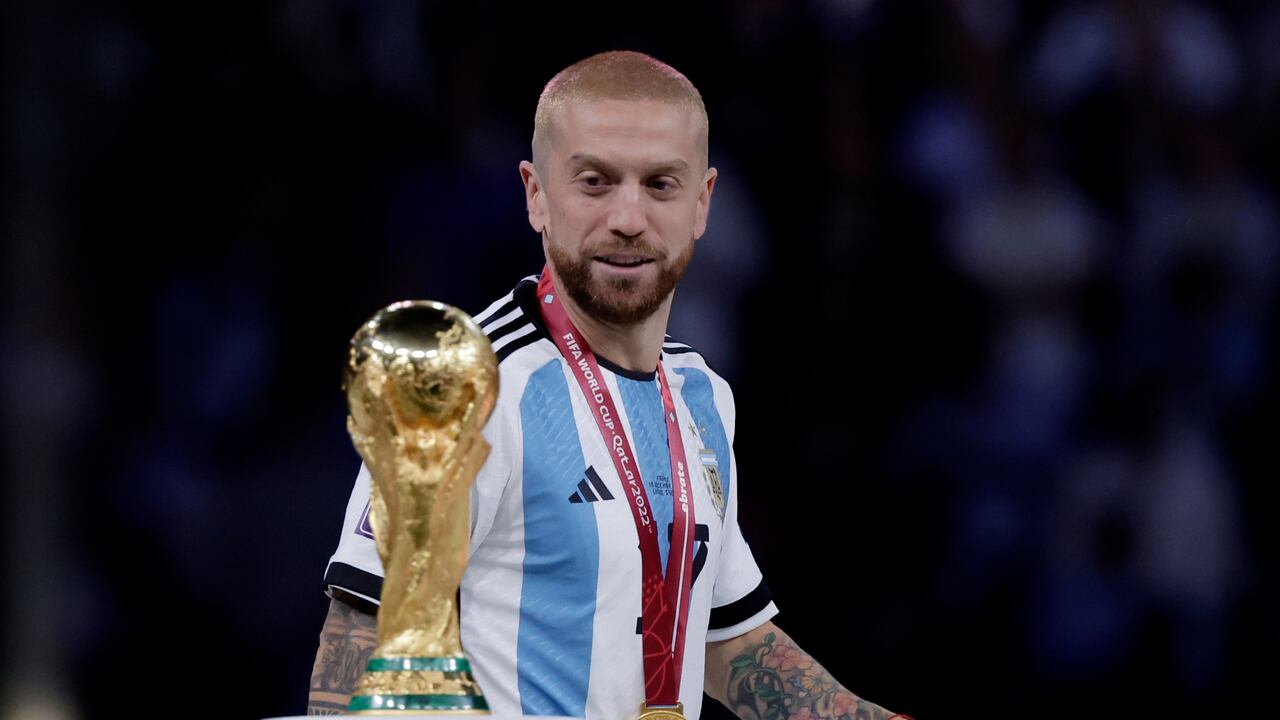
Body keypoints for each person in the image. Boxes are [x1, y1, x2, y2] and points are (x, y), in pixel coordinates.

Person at [308, 50, 908, 720]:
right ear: (535, 193)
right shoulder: (462, 390)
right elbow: (362, 641)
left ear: (703, 203)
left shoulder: (704, 395)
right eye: (595, 182)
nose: (628, 218)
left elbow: (727, 642)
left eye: (660, 185)